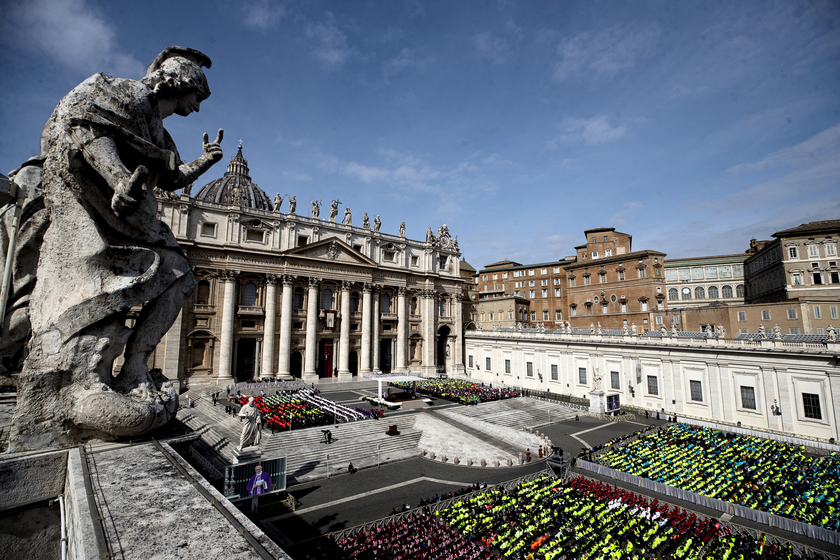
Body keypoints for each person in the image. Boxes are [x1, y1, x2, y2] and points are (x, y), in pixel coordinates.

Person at [11, 46, 224, 448]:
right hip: (96, 207)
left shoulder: (160, 131)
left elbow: (172, 178)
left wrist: (205, 162)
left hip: (129, 213)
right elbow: (84, 125)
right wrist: (116, 178)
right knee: (164, 274)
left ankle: (134, 365)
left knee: (179, 275)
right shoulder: (113, 91)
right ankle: (91, 371)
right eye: (198, 96)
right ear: (180, 81)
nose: (197, 107)